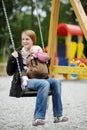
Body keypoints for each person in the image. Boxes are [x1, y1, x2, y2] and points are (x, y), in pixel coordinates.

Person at [6, 30, 68, 126]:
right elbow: (9, 72)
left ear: (33, 41)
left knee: (56, 81)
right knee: (44, 84)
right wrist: (11, 58)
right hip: (26, 81)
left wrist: (42, 55)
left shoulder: (38, 51)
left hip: (41, 78)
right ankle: (38, 118)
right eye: (23, 39)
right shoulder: (17, 53)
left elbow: (45, 67)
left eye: (27, 39)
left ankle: (58, 115)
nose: (24, 41)